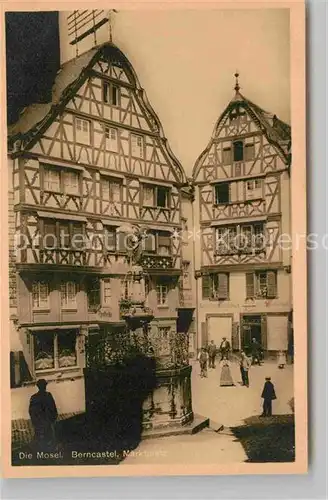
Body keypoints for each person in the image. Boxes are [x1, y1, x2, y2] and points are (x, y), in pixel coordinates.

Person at [29, 379, 58, 448]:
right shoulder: (48, 395)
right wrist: (53, 419)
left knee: (39, 440)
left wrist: (34, 421)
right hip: (47, 422)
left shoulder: (34, 397)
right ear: (45, 386)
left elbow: (31, 411)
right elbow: (53, 408)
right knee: (49, 440)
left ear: (38, 387)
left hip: (39, 423)